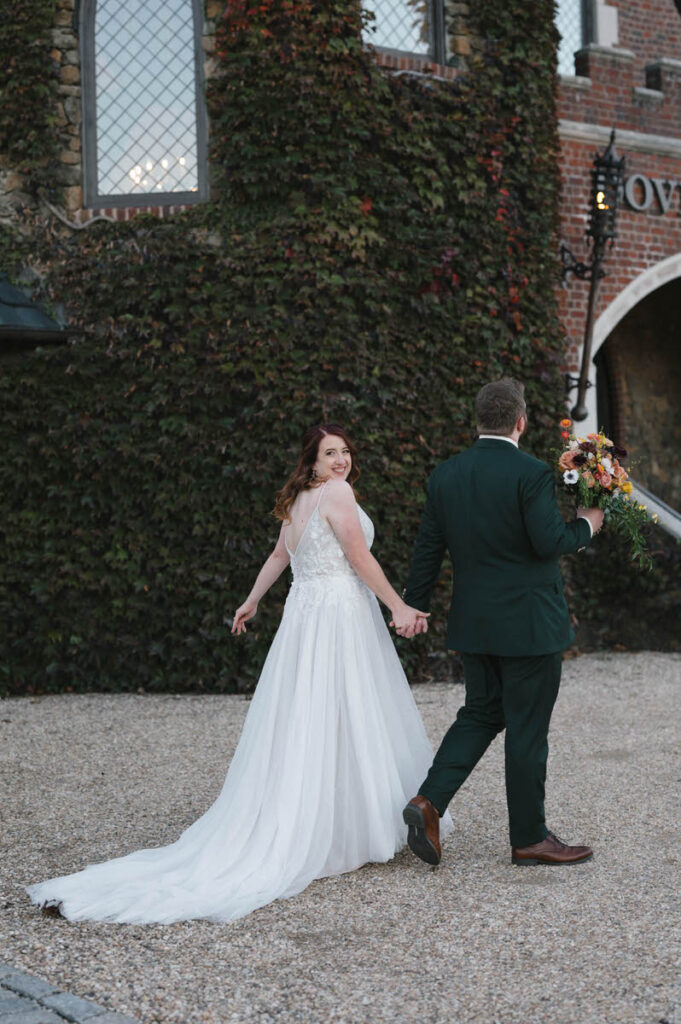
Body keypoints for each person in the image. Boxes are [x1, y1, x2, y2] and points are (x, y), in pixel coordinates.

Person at [27, 423, 449, 924]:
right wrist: (398, 605)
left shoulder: (300, 500)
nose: (341, 461)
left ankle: (335, 822)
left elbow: (279, 555)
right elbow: (357, 557)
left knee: (314, 713)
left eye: (346, 452)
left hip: (306, 618)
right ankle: (339, 827)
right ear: (311, 462)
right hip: (336, 616)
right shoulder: (336, 492)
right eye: (330, 453)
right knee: (346, 708)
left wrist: (250, 602)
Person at [401, 379, 603, 868]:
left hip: (475, 623)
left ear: (479, 421)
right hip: (530, 627)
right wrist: (588, 525)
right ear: (521, 421)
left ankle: (427, 803)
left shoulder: (446, 474)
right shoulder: (531, 472)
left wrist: (414, 604)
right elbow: (548, 540)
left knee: (482, 713)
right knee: (527, 729)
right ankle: (530, 838)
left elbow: (429, 548)